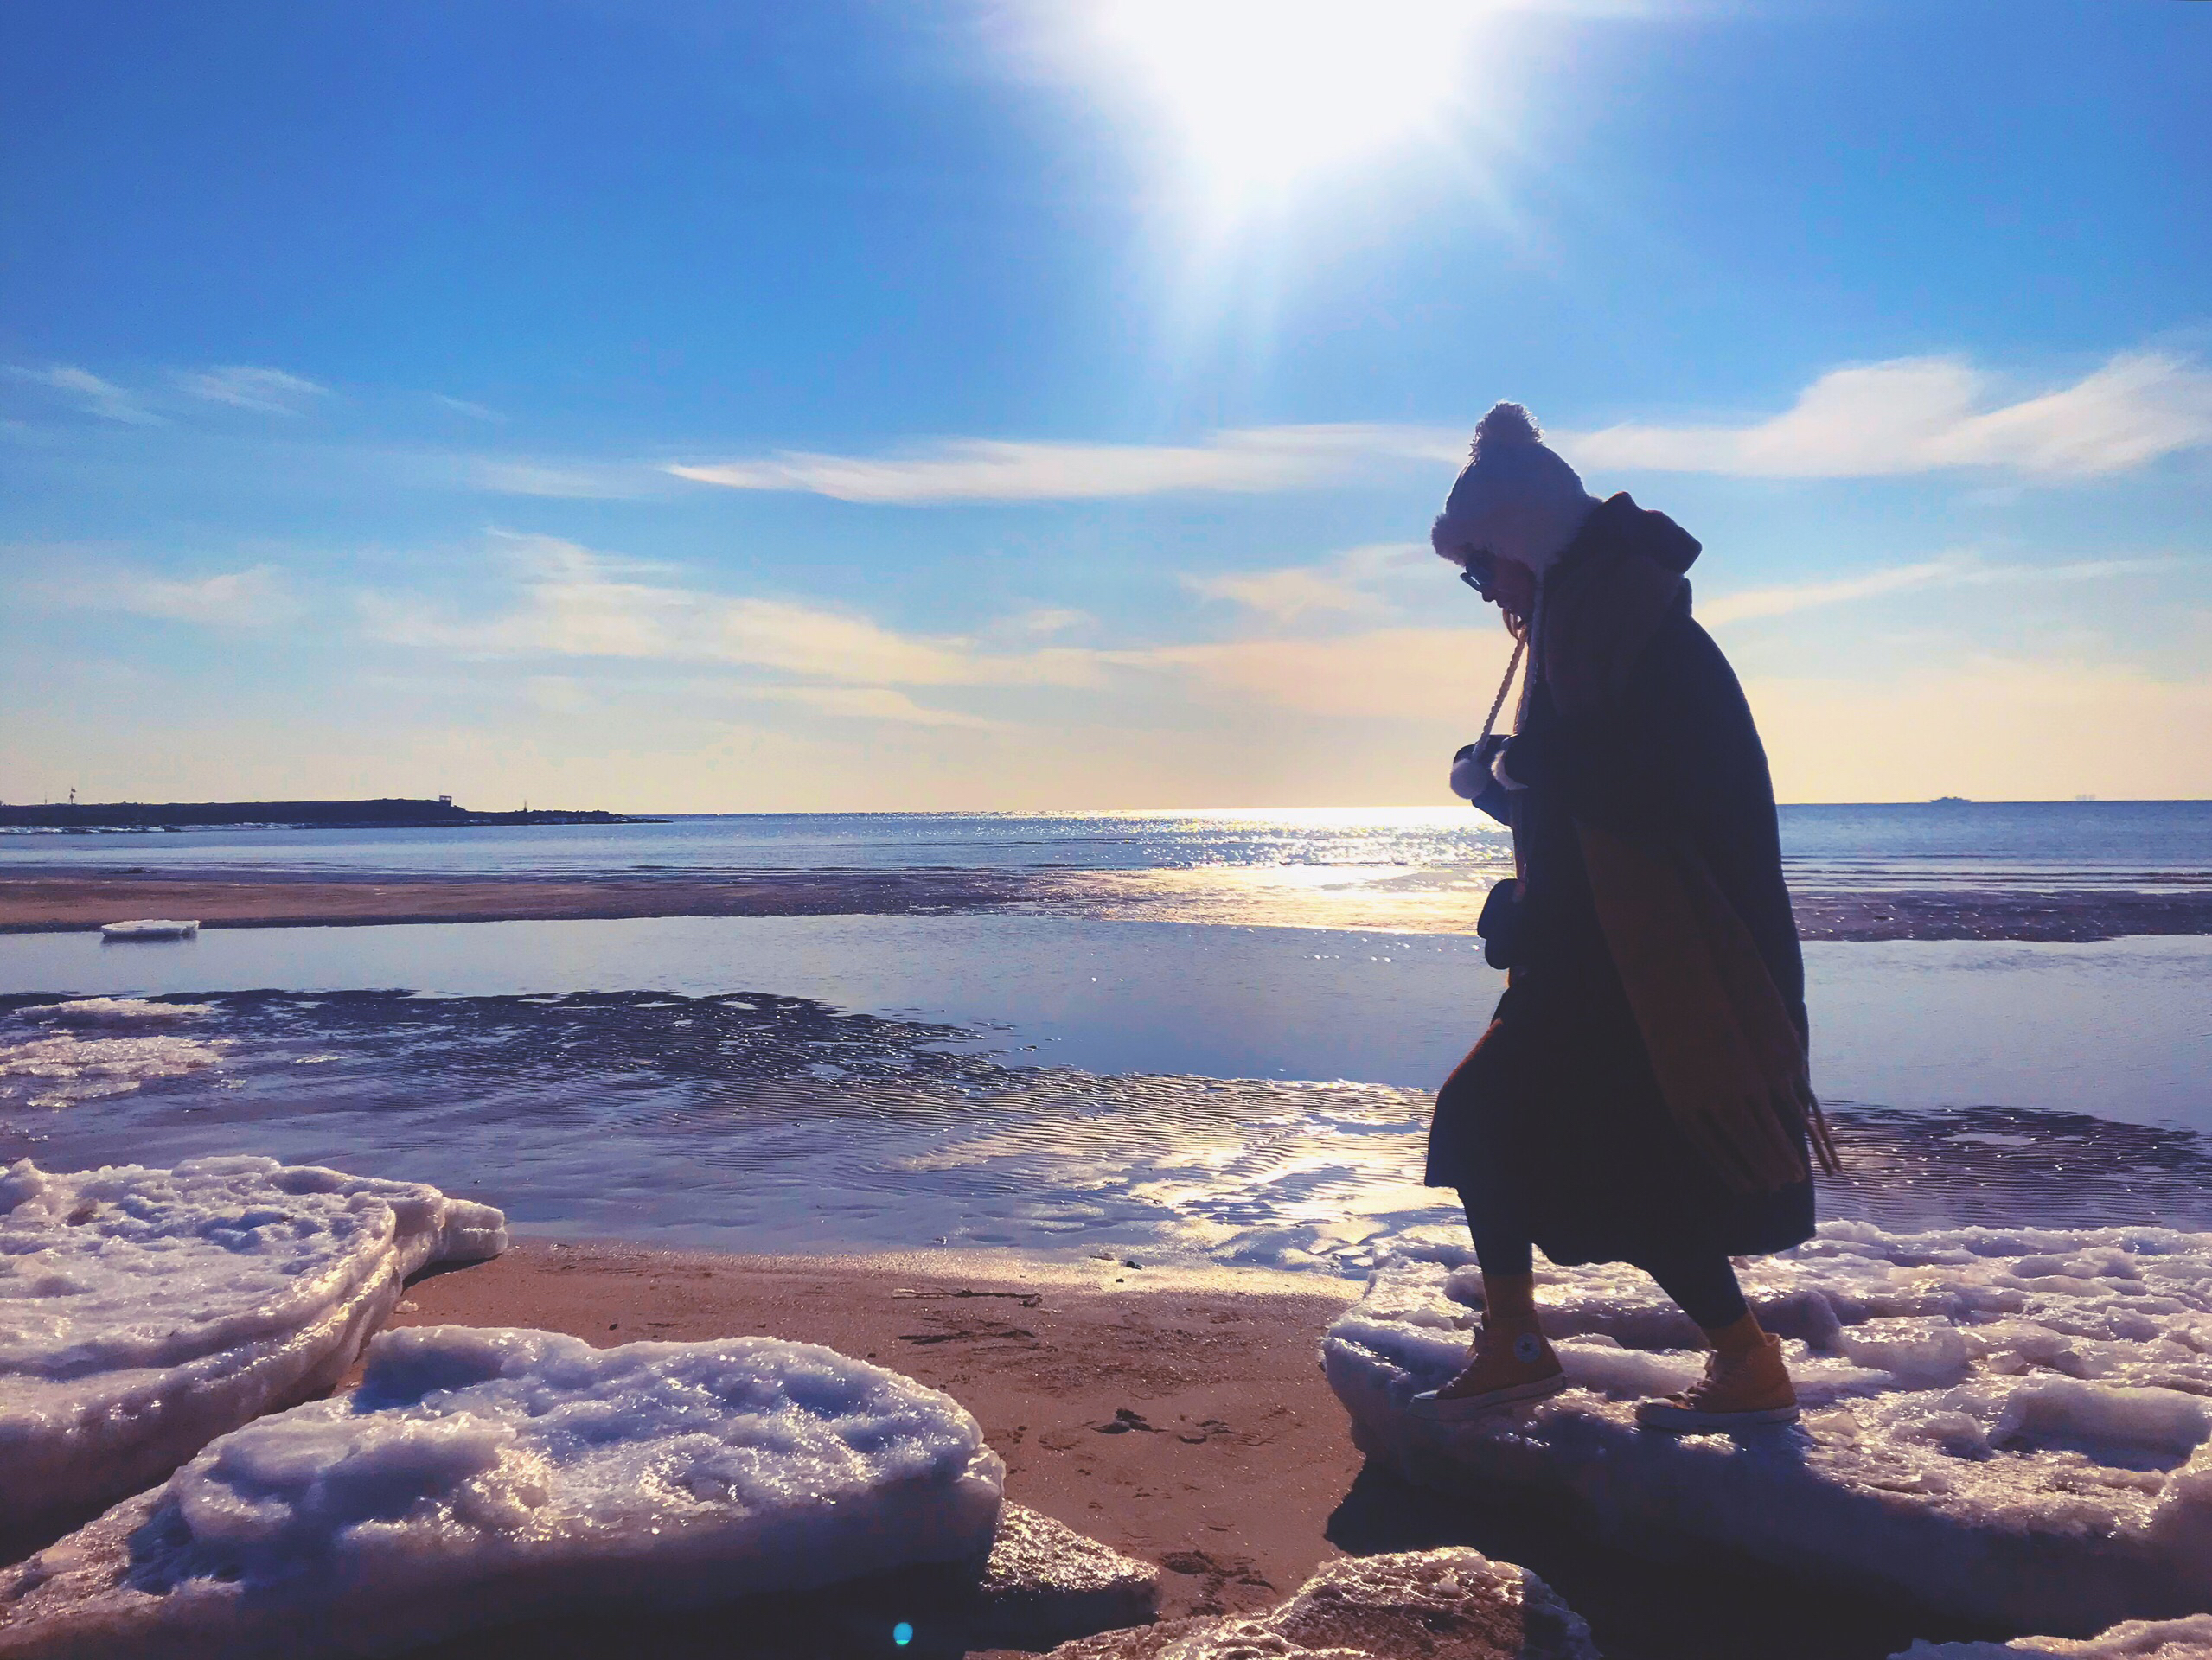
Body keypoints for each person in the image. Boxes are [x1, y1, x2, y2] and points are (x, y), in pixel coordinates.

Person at [1416, 400, 1838, 1433]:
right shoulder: (1589, 629)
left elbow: (1658, 789)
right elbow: (1593, 797)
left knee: (1570, 1150)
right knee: (1560, 1147)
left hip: (1651, 969)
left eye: (1480, 568)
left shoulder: (1638, 639)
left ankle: (1709, 1356)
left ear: (1522, 542)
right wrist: (1501, 795)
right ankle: (1655, 1352)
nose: (1482, 591)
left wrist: (1520, 767)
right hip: (1596, 960)